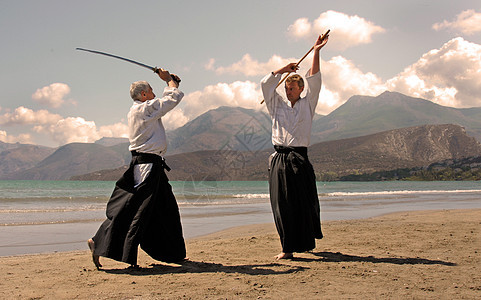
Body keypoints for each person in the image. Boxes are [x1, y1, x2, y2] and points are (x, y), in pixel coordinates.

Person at [87, 68, 187, 269]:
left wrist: (171, 84)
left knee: (166, 209)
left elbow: (168, 99)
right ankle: (97, 242)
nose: (153, 94)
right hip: (146, 166)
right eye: (151, 91)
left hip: (153, 165)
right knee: (132, 209)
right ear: (143, 95)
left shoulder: (142, 109)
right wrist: (168, 81)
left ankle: (172, 253)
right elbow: (171, 100)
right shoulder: (143, 109)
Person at [260, 33, 329, 260]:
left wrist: (316, 51)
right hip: (280, 158)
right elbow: (265, 84)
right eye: (286, 87)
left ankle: (305, 242)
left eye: (292, 88)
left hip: (299, 157)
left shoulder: (308, 104)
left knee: (303, 202)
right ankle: (286, 248)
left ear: (300, 89)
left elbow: (315, 79)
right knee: (282, 204)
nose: (287, 90)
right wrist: (282, 70)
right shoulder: (275, 104)